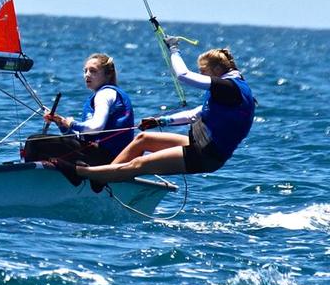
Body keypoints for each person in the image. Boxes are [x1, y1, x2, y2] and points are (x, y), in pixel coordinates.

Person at [57, 42, 256, 185]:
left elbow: (183, 75)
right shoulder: (233, 89)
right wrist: (159, 121)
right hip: (199, 144)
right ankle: (106, 177)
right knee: (143, 138)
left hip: (206, 155)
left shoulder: (228, 87)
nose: (202, 75)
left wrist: (174, 50)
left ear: (218, 69)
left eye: (204, 71)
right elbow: (195, 114)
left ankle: (81, 173)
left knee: (139, 164)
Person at [42, 53, 135, 164]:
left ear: (108, 74)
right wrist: (61, 123)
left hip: (107, 158)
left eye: (93, 71)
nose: (87, 75)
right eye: (85, 71)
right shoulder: (109, 93)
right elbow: (83, 137)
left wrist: (72, 124)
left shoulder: (104, 94)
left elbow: (97, 127)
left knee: (37, 143)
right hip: (106, 156)